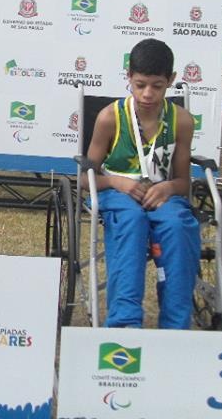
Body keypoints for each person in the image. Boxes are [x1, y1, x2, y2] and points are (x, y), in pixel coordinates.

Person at [85, 38, 200, 329]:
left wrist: (169, 187)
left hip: (163, 195)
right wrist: (116, 182)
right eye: (140, 85)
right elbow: (85, 179)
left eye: (157, 86)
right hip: (118, 193)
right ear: (129, 78)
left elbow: (183, 182)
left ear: (171, 81)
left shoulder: (182, 121)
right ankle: (124, 324)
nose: (147, 94)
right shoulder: (110, 117)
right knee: (131, 220)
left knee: (177, 225)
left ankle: (176, 326)